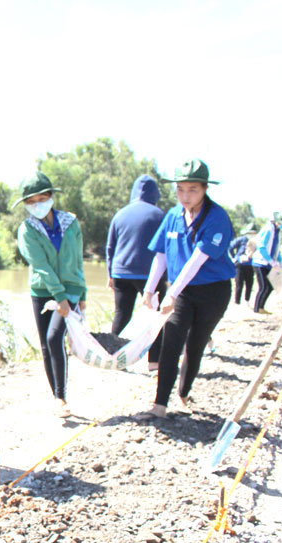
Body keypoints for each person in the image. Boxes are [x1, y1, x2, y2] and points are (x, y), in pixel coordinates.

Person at [137, 159, 235, 420]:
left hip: (212, 291)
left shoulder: (216, 217)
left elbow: (197, 260)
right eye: (180, 189)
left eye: (192, 190)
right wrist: (149, 290)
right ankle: (159, 405)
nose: (185, 196)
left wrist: (171, 293)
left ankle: (184, 392)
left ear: (205, 189)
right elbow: (162, 254)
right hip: (181, 292)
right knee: (171, 342)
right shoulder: (172, 215)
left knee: (196, 343)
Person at [15, 171, 87, 419]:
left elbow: (78, 259)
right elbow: (41, 266)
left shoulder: (71, 223)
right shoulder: (27, 230)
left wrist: (80, 293)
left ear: (51, 197)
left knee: (56, 337)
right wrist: (58, 297)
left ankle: (62, 396)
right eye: (30, 201)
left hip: (70, 289)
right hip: (42, 290)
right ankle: (57, 398)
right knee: (46, 344)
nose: (36, 205)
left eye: (41, 199)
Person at [105, 174, 167, 371]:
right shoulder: (160, 215)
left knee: (121, 313)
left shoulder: (120, 214)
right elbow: (167, 249)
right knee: (156, 317)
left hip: (121, 272)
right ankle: (154, 362)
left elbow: (110, 247)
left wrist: (110, 274)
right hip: (150, 275)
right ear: (155, 194)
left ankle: (114, 357)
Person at [250, 211, 282, 314]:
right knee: (263, 286)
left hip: (269, 264)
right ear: (278, 221)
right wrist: (270, 260)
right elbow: (261, 246)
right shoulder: (268, 229)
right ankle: (257, 309)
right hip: (260, 262)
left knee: (269, 286)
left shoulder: (277, 232)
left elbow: (276, 249)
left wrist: (280, 262)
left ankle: (261, 307)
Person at [229, 231, 257, 305]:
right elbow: (230, 247)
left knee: (249, 283)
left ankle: (247, 300)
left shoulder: (255, 241)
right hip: (240, 264)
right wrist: (235, 257)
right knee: (239, 283)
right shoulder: (241, 239)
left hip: (250, 264)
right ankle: (237, 301)